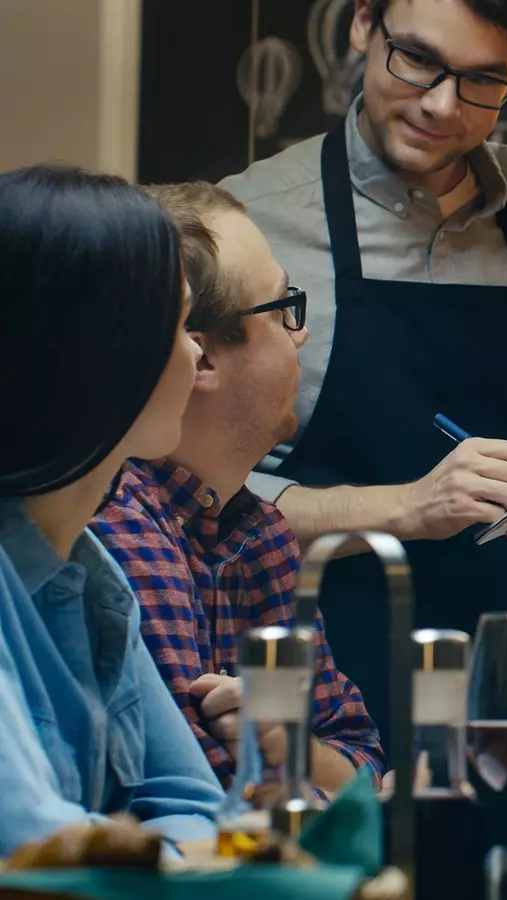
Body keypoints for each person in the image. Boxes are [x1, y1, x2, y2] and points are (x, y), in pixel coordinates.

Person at [216, 0, 507, 741]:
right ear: (363, 25)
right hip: (310, 691)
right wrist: (408, 510)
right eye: (417, 59)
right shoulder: (250, 220)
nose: (442, 105)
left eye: (485, 80)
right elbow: (201, 496)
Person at [89, 182, 383, 795]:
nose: (299, 335)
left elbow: (361, 757)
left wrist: (291, 748)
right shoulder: (116, 523)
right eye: (281, 310)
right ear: (202, 360)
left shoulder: (262, 534)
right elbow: (205, 793)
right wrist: (306, 770)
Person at [0, 164, 224, 855]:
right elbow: (29, 840)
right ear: (103, 348)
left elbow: (194, 804)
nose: (198, 352)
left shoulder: (96, 580)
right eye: (183, 324)